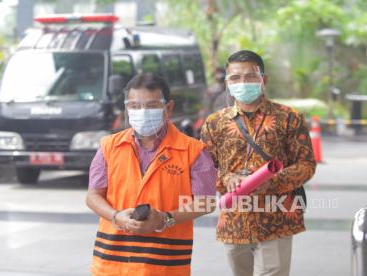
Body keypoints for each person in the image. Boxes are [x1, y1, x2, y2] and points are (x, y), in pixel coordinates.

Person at [86, 73, 217, 276]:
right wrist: (116, 216)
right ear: (127, 108)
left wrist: (165, 219)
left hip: (164, 266)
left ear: (169, 108)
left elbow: (206, 202)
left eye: (151, 105)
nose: (142, 112)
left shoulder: (193, 151)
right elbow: (93, 195)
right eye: (134, 106)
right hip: (111, 264)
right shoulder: (108, 146)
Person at [201, 50, 316, 276]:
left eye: (250, 76)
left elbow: (306, 164)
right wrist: (227, 178)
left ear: (263, 79)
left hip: (278, 218)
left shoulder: (289, 118)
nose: (242, 82)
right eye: (235, 78)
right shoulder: (214, 123)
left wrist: (272, 181)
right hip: (234, 220)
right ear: (227, 82)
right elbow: (203, 169)